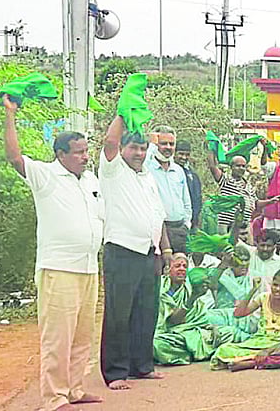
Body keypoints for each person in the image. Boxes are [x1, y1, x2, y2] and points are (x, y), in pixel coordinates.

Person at [3, 95, 105, 410]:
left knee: (82, 336)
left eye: (87, 151)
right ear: (61, 154)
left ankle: (74, 389)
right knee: (57, 338)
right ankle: (54, 396)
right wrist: (10, 115)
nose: (86, 157)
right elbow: (15, 157)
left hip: (88, 267)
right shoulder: (45, 175)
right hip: (58, 268)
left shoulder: (90, 179)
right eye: (79, 152)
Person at [98, 115, 170, 390]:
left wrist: (165, 250)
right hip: (122, 251)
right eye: (134, 148)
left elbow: (157, 215)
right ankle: (116, 372)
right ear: (123, 150)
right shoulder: (113, 171)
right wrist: (121, 113)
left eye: (143, 149)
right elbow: (109, 141)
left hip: (148, 254)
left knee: (146, 311)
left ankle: (142, 366)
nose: (139, 153)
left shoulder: (148, 177)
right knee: (119, 313)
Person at [210, 268, 280, 371]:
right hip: (259, 341)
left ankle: (250, 363)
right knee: (224, 349)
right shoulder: (263, 298)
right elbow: (238, 314)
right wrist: (253, 290)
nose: (277, 289)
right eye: (275, 285)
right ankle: (263, 361)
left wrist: (267, 351)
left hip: (279, 344)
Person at [153, 254, 232, 365]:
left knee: (228, 332)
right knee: (157, 344)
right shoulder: (160, 288)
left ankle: (190, 352)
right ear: (167, 269)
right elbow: (172, 321)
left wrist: (211, 327)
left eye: (185, 266)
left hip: (190, 332)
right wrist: (192, 298)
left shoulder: (189, 287)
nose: (182, 269)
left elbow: (200, 317)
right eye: (177, 266)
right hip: (168, 334)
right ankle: (195, 352)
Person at [145, 126, 192, 253]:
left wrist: (187, 224)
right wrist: (151, 144)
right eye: (163, 143)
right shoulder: (147, 168)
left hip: (179, 230)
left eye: (171, 144)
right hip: (158, 230)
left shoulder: (178, 170)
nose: (168, 147)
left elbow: (186, 201)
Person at [205, 151, 256, 234]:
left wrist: (271, 201)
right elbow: (212, 167)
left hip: (243, 226)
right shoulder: (226, 180)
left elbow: (256, 203)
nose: (241, 168)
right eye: (238, 166)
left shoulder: (249, 186)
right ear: (231, 167)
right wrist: (212, 148)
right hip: (226, 224)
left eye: (243, 166)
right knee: (226, 246)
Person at [174, 141, 203, 230]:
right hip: (174, 222)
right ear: (174, 153)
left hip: (190, 222)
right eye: (181, 154)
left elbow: (197, 199)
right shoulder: (169, 173)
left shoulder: (192, 175)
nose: (184, 157)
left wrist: (194, 222)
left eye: (187, 155)